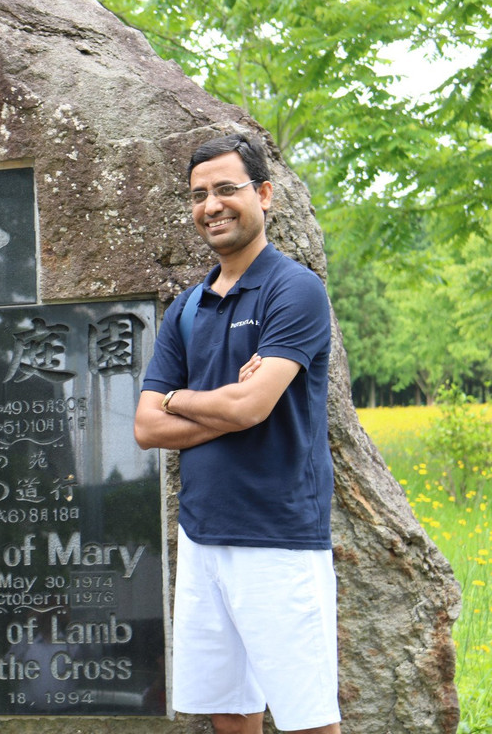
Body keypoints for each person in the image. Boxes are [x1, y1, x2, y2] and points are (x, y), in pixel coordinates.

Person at [133, 134, 340, 734]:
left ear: (264, 194)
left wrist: (184, 400)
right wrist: (218, 404)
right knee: (229, 708)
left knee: (307, 716)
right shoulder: (188, 308)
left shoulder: (293, 289)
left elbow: (252, 407)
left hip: (278, 535)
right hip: (203, 535)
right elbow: (147, 427)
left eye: (227, 189)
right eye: (199, 195)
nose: (212, 205)